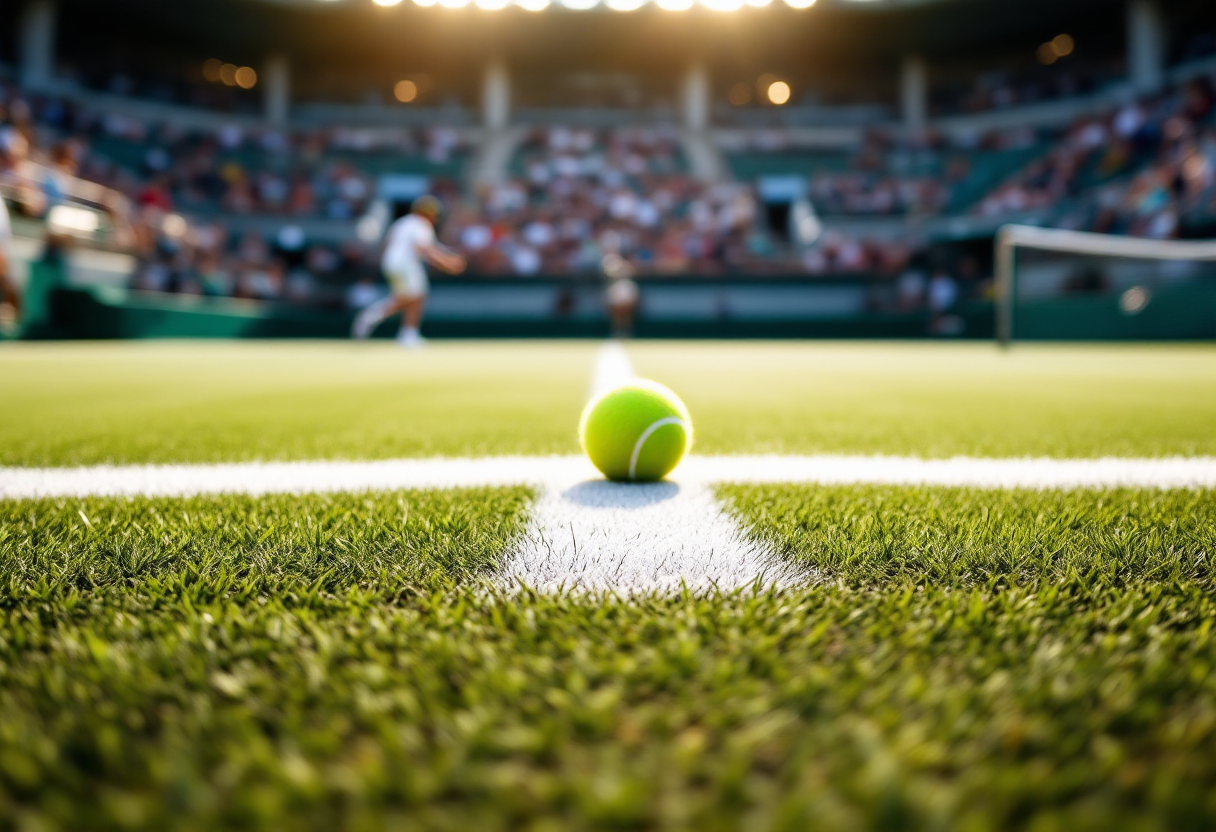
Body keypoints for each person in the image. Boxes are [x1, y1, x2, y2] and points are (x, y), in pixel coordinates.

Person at [352, 195, 465, 348]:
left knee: (410, 296)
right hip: (405, 264)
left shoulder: (401, 223)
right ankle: (399, 330)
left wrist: (446, 257)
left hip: (391, 263)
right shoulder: (422, 224)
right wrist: (447, 263)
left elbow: (389, 244)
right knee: (416, 296)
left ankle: (398, 329)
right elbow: (423, 248)